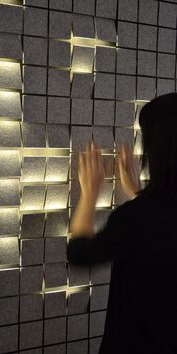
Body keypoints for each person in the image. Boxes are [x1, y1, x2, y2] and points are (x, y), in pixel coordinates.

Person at [67, 92, 177, 354]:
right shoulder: (142, 216)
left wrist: (90, 192)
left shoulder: (135, 218)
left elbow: (81, 253)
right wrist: (140, 195)